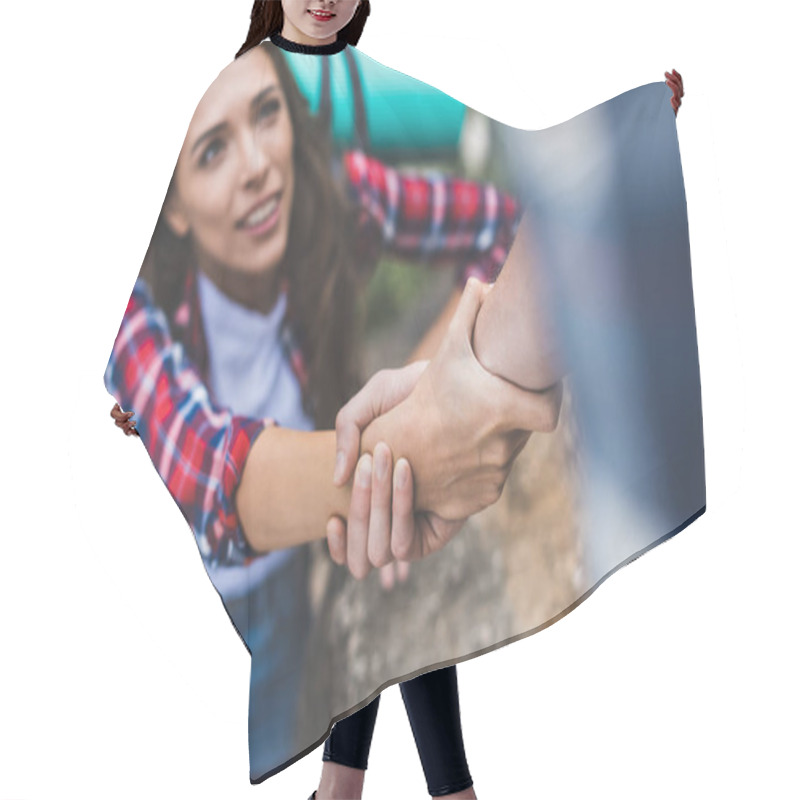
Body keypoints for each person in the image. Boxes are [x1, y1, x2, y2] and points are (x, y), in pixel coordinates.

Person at [108, 2, 685, 796]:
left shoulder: (339, 166)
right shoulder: (230, 92)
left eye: (273, 122)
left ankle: (361, 788)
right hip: (284, 552)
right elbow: (199, 434)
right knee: (385, 531)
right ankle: (425, 789)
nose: (254, 164)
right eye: (218, 148)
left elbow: (505, 197)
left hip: (359, 469)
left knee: (393, 555)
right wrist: (417, 438)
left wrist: (631, 124)